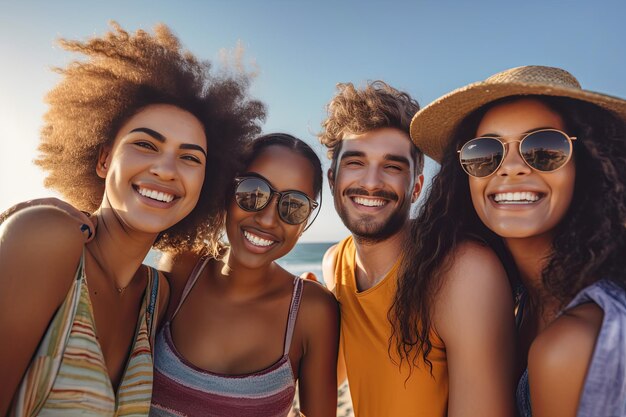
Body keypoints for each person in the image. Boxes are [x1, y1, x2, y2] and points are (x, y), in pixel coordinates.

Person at [0, 23, 264, 416]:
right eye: (145, 144)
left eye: (190, 158)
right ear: (105, 158)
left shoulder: (156, 297)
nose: (166, 169)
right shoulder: (49, 237)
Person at [407, 65, 626, 417]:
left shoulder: (572, 342)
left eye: (544, 148)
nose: (510, 167)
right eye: (485, 153)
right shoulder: (523, 303)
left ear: (585, 165)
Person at [318, 80, 516, 417]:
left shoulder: (462, 273)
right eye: (355, 163)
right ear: (332, 178)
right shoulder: (335, 263)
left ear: (416, 187)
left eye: (393, 166)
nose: (371, 182)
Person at [149, 133, 339, 417]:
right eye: (254, 192)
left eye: (293, 206)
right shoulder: (181, 267)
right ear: (227, 192)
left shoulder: (312, 311)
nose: (267, 219)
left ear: (306, 222)